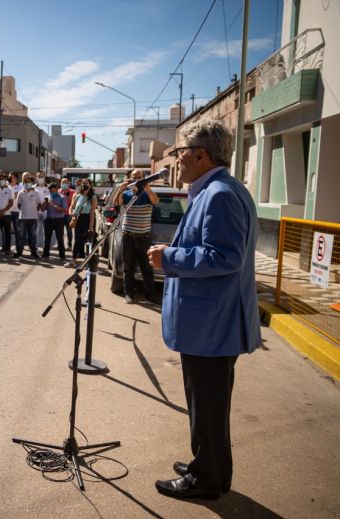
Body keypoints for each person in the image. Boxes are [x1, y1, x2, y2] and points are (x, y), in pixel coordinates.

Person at [147, 119, 261, 500]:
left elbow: (224, 256)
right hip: (211, 324)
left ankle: (207, 478)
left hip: (212, 328)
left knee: (208, 408)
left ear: (200, 155)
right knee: (207, 405)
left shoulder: (220, 195)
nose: (176, 161)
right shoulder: (214, 190)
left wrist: (170, 256)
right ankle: (210, 466)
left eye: (180, 153)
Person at [114, 169, 159, 304]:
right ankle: (129, 294)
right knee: (128, 268)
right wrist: (121, 188)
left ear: (143, 178)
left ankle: (150, 295)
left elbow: (156, 201)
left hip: (144, 237)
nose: (136, 180)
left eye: (139, 177)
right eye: (134, 177)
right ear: (129, 178)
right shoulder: (127, 195)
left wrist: (147, 188)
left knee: (147, 268)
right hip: (128, 237)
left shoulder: (147, 194)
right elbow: (116, 203)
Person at [69, 179, 97, 263]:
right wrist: (71, 213)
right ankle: (73, 261)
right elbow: (71, 207)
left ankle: (88, 263)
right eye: (83, 184)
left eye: (86, 183)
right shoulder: (77, 195)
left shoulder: (93, 197)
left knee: (88, 241)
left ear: (90, 185)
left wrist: (91, 226)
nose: (84, 185)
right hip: (78, 219)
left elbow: (92, 212)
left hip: (88, 219)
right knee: (77, 240)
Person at [15, 173, 40, 258]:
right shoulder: (20, 193)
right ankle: (19, 252)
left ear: (32, 183)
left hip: (33, 218)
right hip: (23, 218)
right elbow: (18, 204)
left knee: (32, 236)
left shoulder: (36, 193)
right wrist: (24, 210)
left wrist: (34, 210)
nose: (27, 184)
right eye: (25, 182)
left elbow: (39, 204)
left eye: (29, 182)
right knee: (21, 236)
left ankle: (33, 252)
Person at [42, 183, 67, 260]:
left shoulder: (62, 197)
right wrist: (44, 205)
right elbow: (42, 210)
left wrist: (54, 205)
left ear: (56, 189)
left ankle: (62, 255)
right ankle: (45, 254)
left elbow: (64, 209)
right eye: (50, 191)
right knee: (47, 238)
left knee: (59, 238)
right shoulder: (47, 197)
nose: (51, 192)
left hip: (59, 220)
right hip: (49, 220)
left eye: (53, 191)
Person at [34, 171, 50, 252]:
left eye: (41, 176)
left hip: (46, 212)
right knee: (35, 231)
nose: (40, 178)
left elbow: (49, 199)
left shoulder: (48, 188)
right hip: (36, 212)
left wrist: (45, 206)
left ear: (44, 177)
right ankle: (35, 247)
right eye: (38, 177)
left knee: (46, 232)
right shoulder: (33, 187)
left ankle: (45, 248)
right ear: (36, 178)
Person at [9, 171, 24, 254]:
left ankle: (19, 250)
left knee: (18, 231)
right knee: (6, 231)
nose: (10, 178)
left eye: (11, 177)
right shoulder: (6, 186)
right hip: (7, 212)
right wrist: (14, 194)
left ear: (15, 178)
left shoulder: (20, 187)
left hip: (17, 212)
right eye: (9, 177)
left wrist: (14, 195)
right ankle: (6, 249)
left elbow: (19, 197)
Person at [59, 177, 75, 249]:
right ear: (61, 183)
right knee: (60, 231)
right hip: (60, 214)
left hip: (68, 214)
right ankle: (60, 245)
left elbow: (71, 202)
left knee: (69, 230)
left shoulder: (72, 192)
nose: (64, 184)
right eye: (63, 182)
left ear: (68, 183)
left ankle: (69, 245)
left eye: (66, 182)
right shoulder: (58, 191)